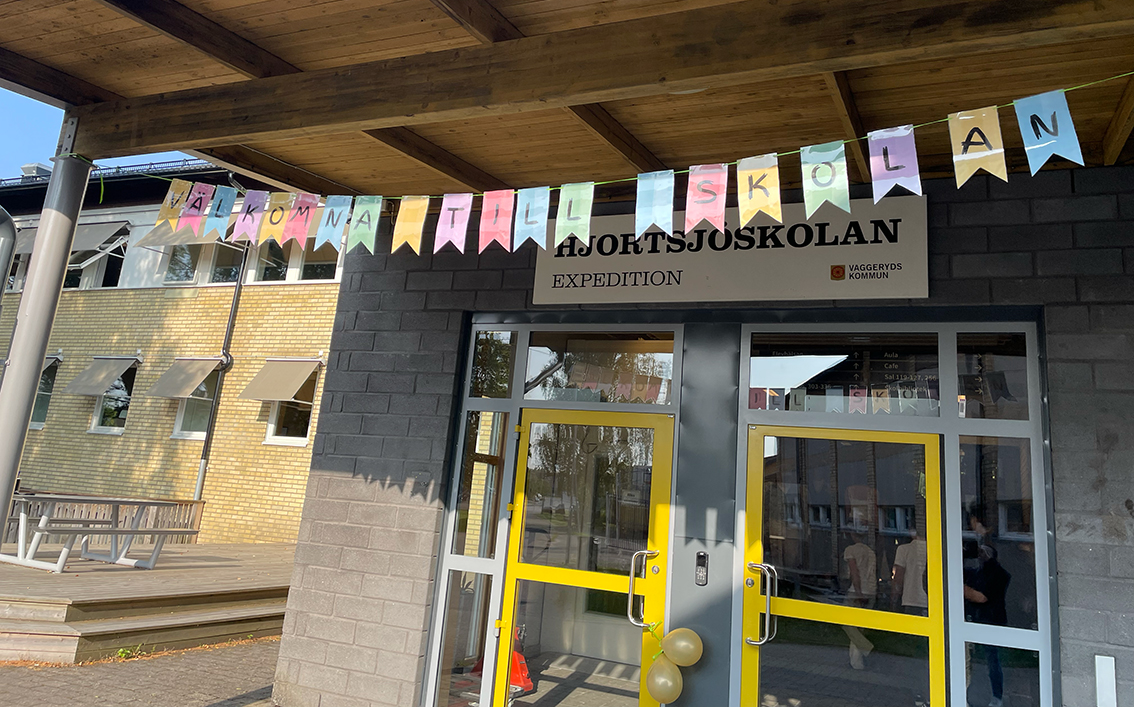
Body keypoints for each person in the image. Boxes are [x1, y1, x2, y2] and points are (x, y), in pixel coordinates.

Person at [965, 542, 1011, 707]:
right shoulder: (977, 572)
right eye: (979, 552)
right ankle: (967, 694)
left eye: (984, 552)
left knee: (992, 660)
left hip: (991, 621)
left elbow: (981, 597)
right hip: (974, 620)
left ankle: (997, 696)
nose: (980, 555)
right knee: (970, 660)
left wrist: (958, 587)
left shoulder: (998, 574)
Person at [842, 533, 877, 669]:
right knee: (859, 628)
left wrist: (858, 592)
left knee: (847, 622)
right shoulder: (871, 552)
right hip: (872, 590)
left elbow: (854, 572)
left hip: (857, 591)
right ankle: (856, 662)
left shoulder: (850, 550)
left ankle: (865, 648)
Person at [891, 528, 929, 616]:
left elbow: (898, 577)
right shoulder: (937, 549)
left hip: (911, 600)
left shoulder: (904, 549)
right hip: (932, 602)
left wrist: (893, 599)